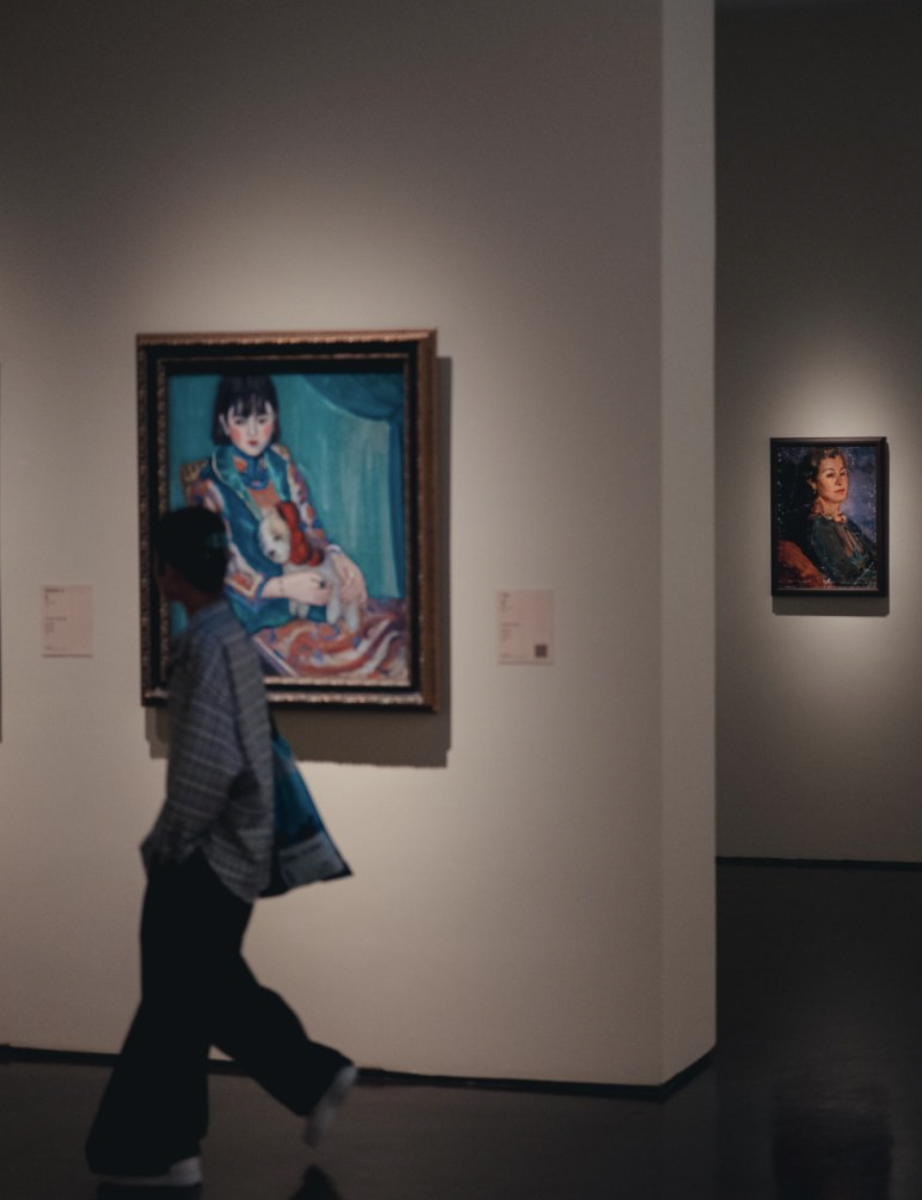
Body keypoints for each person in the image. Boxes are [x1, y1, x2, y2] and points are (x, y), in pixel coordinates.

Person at [85, 506, 357, 1192]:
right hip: (238, 850)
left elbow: (210, 766)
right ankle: (297, 1084)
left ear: (168, 571)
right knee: (202, 992)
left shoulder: (204, 645)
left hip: (207, 855)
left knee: (175, 1000)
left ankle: (156, 1149)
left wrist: (169, 842)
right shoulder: (229, 633)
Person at [184, 375, 367, 637]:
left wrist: (337, 557)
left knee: (370, 621)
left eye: (262, 419)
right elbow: (220, 569)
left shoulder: (283, 466)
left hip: (304, 590)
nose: (253, 432)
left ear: (275, 419)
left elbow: (311, 529)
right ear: (223, 423)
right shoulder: (208, 486)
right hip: (250, 610)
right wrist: (282, 587)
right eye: (240, 421)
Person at [778, 446, 876, 589]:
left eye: (843, 473)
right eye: (830, 475)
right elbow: (849, 579)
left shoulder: (844, 522)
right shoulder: (818, 527)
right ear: (813, 482)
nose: (839, 481)